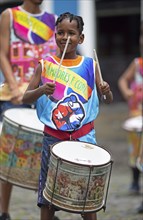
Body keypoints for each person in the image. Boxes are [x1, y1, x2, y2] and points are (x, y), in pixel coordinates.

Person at [22, 12, 113, 220]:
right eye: (61, 33)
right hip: (52, 140)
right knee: (47, 198)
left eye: (71, 33)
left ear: (81, 38)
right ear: (55, 36)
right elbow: (26, 98)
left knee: (87, 198)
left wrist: (106, 90)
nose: (65, 37)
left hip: (85, 139)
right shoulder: (45, 65)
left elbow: (108, 99)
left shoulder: (91, 65)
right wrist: (41, 90)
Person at [0, 0, 58, 219]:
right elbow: (2, 53)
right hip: (14, 95)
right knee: (10, 152)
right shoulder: (10, 15)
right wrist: (14, 87)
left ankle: (47, 209)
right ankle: (4, 211)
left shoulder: (52, 21)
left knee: (47, 155)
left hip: (44, 95)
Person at [118, 21, 143, 213]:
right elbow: (122, 80)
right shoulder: (137, 64)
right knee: (135, 152)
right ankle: (135, 182)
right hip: (136, 116)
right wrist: (126, 91)